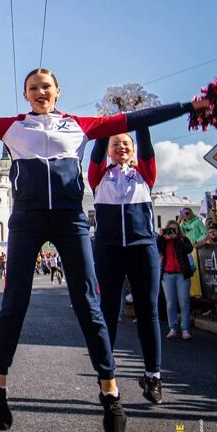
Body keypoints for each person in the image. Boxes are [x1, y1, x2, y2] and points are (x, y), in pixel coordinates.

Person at [0, 66, 212, 432]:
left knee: (88, 303)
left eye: (46, 87)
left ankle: (110, 392)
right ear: (26, 95)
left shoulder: (78, 125)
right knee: (14, 302)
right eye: (33, 88)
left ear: (58, 91)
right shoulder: (13, 127)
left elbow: (139, 117)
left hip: (70, 221)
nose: (40, 92)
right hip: (27, 222)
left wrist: (191, 106)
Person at [88, 129, 164, 404]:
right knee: (107, 311)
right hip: (109, 250)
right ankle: (106, 376)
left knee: (148, 312)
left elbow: (146, 144)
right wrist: (107, 125)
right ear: (108, 150)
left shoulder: (144, 173)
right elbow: (95, 151)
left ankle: (153, 377)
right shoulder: (99, 176)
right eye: (115, 143)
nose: (121, 147)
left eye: (125, 144)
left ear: (132, 150)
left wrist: (138, 120)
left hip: (142, 247)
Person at [158, 220, 194, 340]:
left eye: (174, 229)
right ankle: (172, 328)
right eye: (170, 229)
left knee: (184, 303)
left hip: (182, 275)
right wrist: (161, 236)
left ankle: (185, 329)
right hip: (167, 275)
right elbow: (157, 248)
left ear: (178, 230)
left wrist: (176, 239)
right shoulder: (164, 241)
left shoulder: (183, 239)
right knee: (170, 304)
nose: (172, 231)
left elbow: (189, 249)